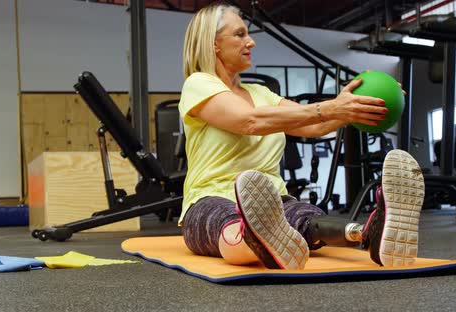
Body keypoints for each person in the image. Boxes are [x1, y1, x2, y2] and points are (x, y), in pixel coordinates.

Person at [178, 3, 424, 270]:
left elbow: (313, 126)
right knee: (228, 222)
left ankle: (369, 234)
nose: (250, 42)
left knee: (308, 219)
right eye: (240, 34)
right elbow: (248, 121)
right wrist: (331, 107)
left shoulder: (263, 94)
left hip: (275, 202)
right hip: (210, 199)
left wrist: (353, 108)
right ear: (214, 43)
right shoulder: (199, 84)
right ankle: (254, 237)